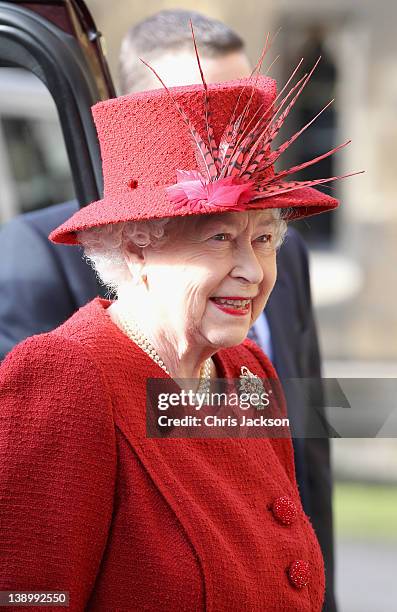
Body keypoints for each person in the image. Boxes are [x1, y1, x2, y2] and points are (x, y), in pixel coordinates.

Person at [0, 30, 351, 609]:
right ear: (136, 247)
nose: (253, 271)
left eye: (264, 240)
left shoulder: (247, 371)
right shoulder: (68, 377)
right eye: (220, 239)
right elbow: (27, 596)